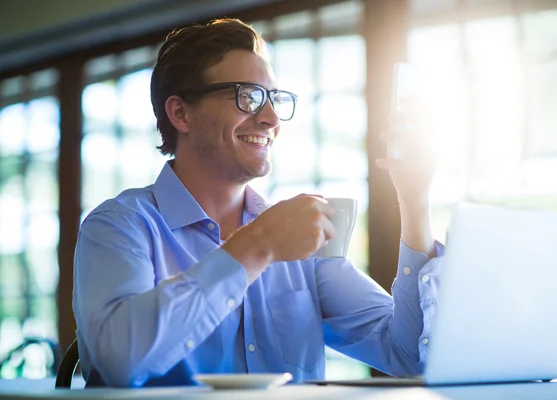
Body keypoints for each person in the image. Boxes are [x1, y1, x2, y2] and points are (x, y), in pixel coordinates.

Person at [72, 18, 443, 388]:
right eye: (247, 97)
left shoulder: (300, 240)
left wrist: (414, 202)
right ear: (180, 113)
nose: (270, 119)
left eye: (274, 99)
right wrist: (257, 247)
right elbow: (118, 363)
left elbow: (409, 354)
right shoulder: (119, 225)